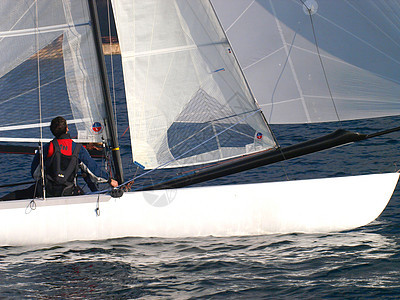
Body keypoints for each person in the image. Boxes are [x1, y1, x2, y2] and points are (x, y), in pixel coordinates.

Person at [1, 116, 118, 200]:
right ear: (67, 129)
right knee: (85, 195)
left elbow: (35, 174)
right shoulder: (78, 149)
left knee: (20, 194)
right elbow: (95, 173)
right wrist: (109, 180)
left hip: (46, 192)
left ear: (52, 131)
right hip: (68, 193)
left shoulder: (46, 148)